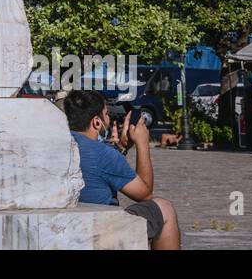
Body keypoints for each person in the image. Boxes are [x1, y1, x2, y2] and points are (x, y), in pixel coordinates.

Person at [64, 89, 180, 250]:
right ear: (97, 122)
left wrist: (121, 148)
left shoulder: (60, 146)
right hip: (99, 231)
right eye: (106, 114)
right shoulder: (103, 154)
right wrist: (142, 143)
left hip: (66, 228)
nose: (109, 118)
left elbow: (99, 169)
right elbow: (144, 193)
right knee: (164, 208)